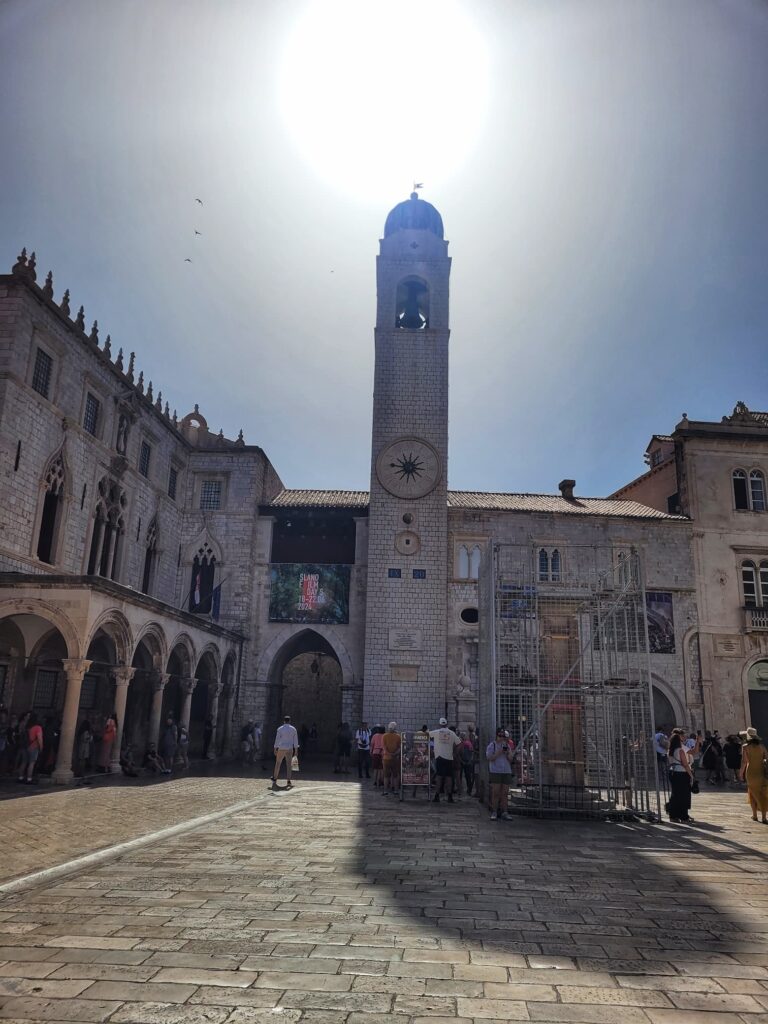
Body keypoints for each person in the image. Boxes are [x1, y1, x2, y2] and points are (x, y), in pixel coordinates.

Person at [739, 728, 768, 823]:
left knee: (752, 793)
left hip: (750, 773)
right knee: (762, 794)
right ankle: (764, 817)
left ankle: (755, 815)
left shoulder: (745, 747)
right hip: (761, 773)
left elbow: (744, 762)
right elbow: (766, 759)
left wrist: (740, 774)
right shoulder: (762, 747)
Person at [429, 718, 461, 803]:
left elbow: (426, 735)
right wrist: (455, 754)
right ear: (446, 724)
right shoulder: (452, 733)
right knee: (449, 777)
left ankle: (437, 795)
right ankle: (450, 796)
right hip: (449, 758)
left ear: (439, 724)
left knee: (439, 777)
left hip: (439, 757)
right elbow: (459, 743)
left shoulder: (436, 732)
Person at [667, 728, 695, 823]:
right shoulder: (680, 751)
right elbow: (686, 765)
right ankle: (684, 816)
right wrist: (691, 775)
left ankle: (673, 815)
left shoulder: (670, 751)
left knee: (675, 795)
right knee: (684, 795)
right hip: (682, 774)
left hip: (673, 773)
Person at [486, 727, 514, 820]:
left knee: (505, 793)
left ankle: (505, 811)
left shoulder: (507, 746)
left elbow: (510, 759)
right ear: (497, 735)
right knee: (496, 792)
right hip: (496, 771)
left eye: (503, 735)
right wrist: (499, 752)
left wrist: (506, 753)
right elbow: (490, 758)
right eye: (500, 735)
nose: (502, 737)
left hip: (506, 771)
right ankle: (494, 811)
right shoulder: (492, 745)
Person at [272, 714, 299, 789]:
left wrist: (275, 748)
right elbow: (295, 740)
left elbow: (277, 739)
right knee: (289, 765)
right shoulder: (293, 729)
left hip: (281, 747)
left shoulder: (280, 729)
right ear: (289, 721)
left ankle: (275, 778)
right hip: (289, 748)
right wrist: (296, 750)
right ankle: (288, 780)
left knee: (278, 763)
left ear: (284, 721)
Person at [22, 713, 44, 784]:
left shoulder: (27, 727)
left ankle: (20, 777)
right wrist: (41, 747)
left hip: (25, 746)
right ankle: (29, 779)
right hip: (33, 747)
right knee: (31, 763)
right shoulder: (38, 727)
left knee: (24, 762)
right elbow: (39, 738)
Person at [381, 722, 401, 795]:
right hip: (395, 759)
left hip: (386, 758)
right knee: (395, 775)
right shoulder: (398, 736)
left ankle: (385, 790)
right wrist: (394, 754)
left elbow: (384, 748)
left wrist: (389, 753)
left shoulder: (384, 736)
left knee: (386, 776)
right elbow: (399, 748)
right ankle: (396, 790)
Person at [459, 731, 475, 796]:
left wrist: (469, 760)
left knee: (467, 776)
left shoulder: (468, 743)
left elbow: (471, 752)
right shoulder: (461, 743)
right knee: (462, 776)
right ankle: (462, 789)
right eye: (462, 735)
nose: (463, 737)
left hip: (466, 761)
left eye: (464, 735)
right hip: (463, 761)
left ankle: (469, 789)